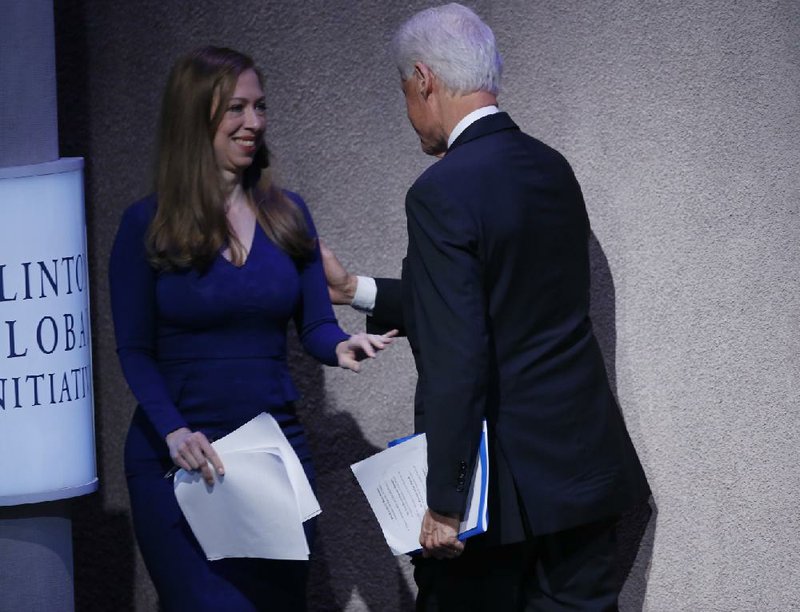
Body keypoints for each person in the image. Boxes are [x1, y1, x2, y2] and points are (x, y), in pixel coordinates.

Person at [323, 4, 651, 610]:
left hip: (498, 504)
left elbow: (458, 352)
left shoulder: (440, 191)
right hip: (581, 483)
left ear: (423, 80)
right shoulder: (553, 168)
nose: (408, 112)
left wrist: (446, 501)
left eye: (404, 92)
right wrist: (355, 291)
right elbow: (503, 302)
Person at [108, 46, 394, 611]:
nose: (254, 123)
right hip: (182, 459)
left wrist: (341, 344)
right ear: (197, 118)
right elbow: (134, 349)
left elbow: (314, 324)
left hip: (269, 456)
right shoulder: (146, 224)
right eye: (236, 109)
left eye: (260, 107)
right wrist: (173, 431)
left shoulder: (289, 214)